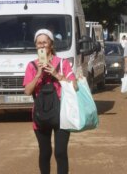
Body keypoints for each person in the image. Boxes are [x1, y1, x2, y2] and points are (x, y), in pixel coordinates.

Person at [23, 29, 77, 174]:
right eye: (39, 43)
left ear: (51, 45)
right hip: (40, 114)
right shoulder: (32, 66)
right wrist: (38, 75)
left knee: (60, 153)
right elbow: (27, 91)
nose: (41, 46)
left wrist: (56, 74)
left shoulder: (62, 63)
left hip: (62, 114)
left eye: (44, 43)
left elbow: (74, 86)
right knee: (45, 152)